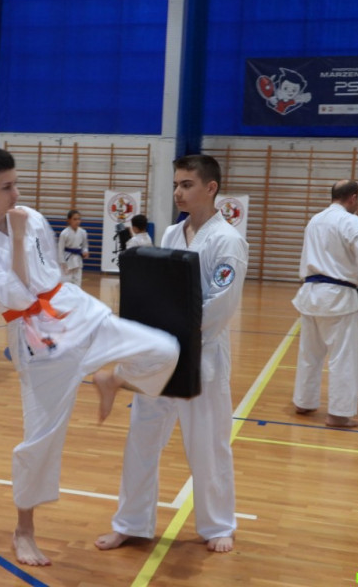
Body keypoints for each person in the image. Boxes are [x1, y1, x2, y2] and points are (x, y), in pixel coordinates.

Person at [0, 145, 179, 567]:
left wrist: (24, 234)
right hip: (37, 337)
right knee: (41, 439)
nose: (16, 195)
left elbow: (52, 272)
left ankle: (112, 378)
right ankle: (24, 530)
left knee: (164, 349)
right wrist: (16, 238)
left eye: (17, 183)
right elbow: (20, 296)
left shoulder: (32, 217)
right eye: (6, 187)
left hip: (75, 310)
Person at [95, 154, 248, 555]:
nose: (178, 192)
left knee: (208, 445)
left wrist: (174, 331)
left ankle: (218, 525)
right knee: (142, 439)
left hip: (202, 356)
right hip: (162, 356)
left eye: (187, 185)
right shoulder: (172, 234)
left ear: (211, 188)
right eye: (176, 184)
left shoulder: (228, 240)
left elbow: (220, 306)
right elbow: (162, 292)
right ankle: (131, 523)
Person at [291, 180, 358, 428]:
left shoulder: (315, 220)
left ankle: (304, 402)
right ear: (353, 197)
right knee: (343, 357)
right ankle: (339, 414)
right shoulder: (352, 222)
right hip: (338, 296)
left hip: (310, 293)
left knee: (310, 353)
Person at [56, 209, 89, 285]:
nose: (77, 221)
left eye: (79, 219)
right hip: (67, 261)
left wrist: (85, 251)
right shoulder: (64, 233)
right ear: (69, 220)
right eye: (74, 219)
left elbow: (85, 245)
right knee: (66, 284)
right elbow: (60, 249)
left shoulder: (83, 232)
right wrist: (62, 263)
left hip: (78, 260)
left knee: (77, 283)